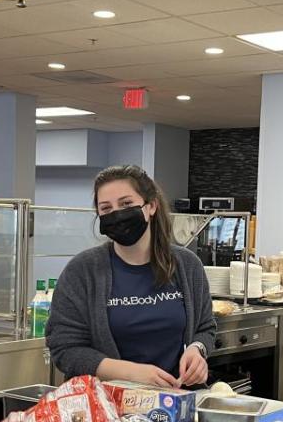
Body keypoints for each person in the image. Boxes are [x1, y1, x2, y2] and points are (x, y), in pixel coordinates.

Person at [46, 164, 215, 388]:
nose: (116, 214)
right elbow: (64, 348)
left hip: (177, 402)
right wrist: (129, 373)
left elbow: (206, 328)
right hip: (107, 410)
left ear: (151, 206)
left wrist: (197, 350)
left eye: (126, 204)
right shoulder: (82, 271)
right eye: (106, 209)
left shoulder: (187, 265)